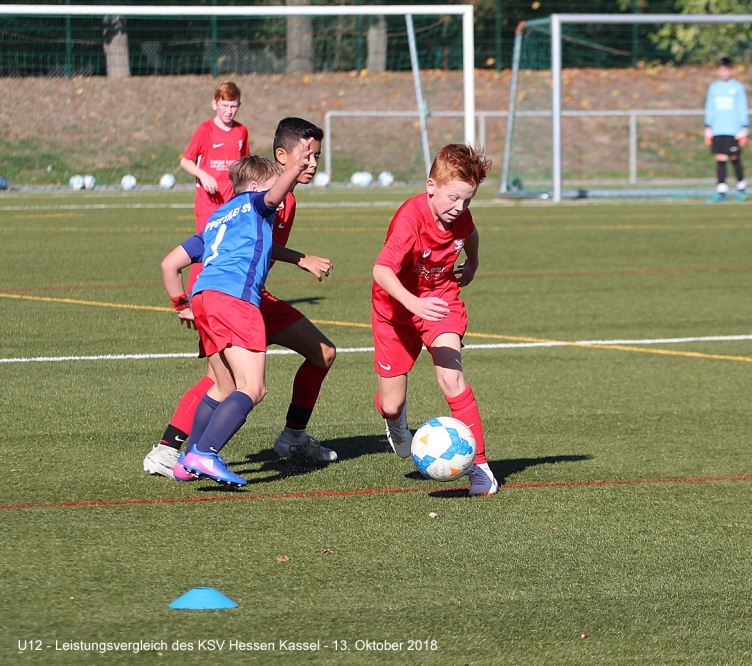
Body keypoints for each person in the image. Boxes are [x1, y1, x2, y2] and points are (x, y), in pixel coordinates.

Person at [144, 118, 338, 478]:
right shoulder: (268, 194)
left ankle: (293, 437)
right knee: (232, 382)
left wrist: (298, 258)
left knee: (322, 353)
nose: (312, 163)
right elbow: (258, 216)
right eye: (307, 156)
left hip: (235, 295)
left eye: (316, 157)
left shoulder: (260, 203)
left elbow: (253, 242)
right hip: (234, 296)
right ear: (283, 158)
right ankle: (173, 449)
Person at [371, 144, 499, 496]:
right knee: (391, 403)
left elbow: (470, 232)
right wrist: (413, 303)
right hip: (395, 310)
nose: (460, 208)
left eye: (468, 200)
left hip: (441, 302)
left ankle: (480, 468)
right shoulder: (410, 221)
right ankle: (395, 421)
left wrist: (473, 263)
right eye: (453, 198)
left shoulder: (460, 216)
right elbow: (381, 270)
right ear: (431, 187)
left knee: (451, 378)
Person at [179, 81, 250, 236]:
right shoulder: (205, 130)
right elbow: (185, 161)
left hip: (233, 205)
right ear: (214, 104)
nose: (229, 111)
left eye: (233, 106)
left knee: (229, 248)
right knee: (205, 247)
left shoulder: (241, 131)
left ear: (239, 105)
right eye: (224, 105)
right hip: (208, 204)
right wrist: (203, 175)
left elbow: (246, 166)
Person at [704, 57, 750, 202]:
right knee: (720, 158)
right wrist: (708, 127)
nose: (724, 73)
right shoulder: (714, 87)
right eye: (721, 70)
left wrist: (744, 127)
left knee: (735, 158)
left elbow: (742, 106)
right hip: (718, 129)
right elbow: (710, 107)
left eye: (727, 70)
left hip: (733, 129)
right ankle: (721, 191)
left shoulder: (737, 87)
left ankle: (741, 189)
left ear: (731, 70)